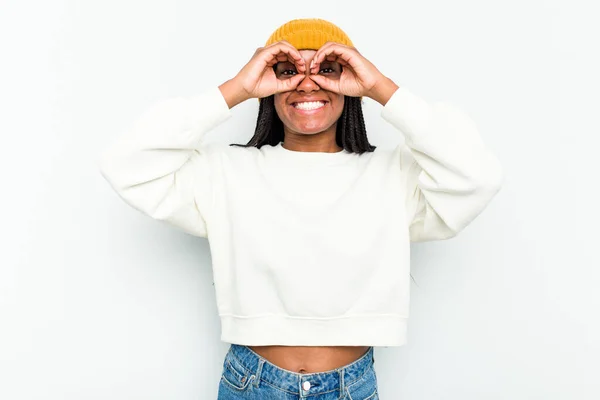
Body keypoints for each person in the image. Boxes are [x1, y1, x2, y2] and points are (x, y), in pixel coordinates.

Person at [98, 18, 503, 400]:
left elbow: (476, 177)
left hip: (352, 385)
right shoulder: (227, 172)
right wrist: (235, 89)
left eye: (328, 69)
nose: (307, 85)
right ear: (267, 84)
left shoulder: (392, 174)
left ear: (352, 83)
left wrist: (382, 88)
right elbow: (125, 164)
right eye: (288, 71)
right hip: (252, 382)